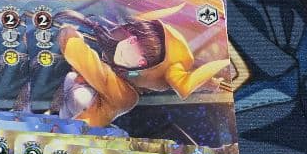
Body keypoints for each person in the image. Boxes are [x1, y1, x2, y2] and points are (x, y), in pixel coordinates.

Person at [59, 15, 232, 127]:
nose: (128, 50)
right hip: (69, 106)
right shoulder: (128, 73)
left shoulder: (124, 95)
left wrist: (71, 39)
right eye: (134, 41)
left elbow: (91, 65)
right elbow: (130, 72)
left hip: (75, 122)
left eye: (142, 61)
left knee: (80, 93)